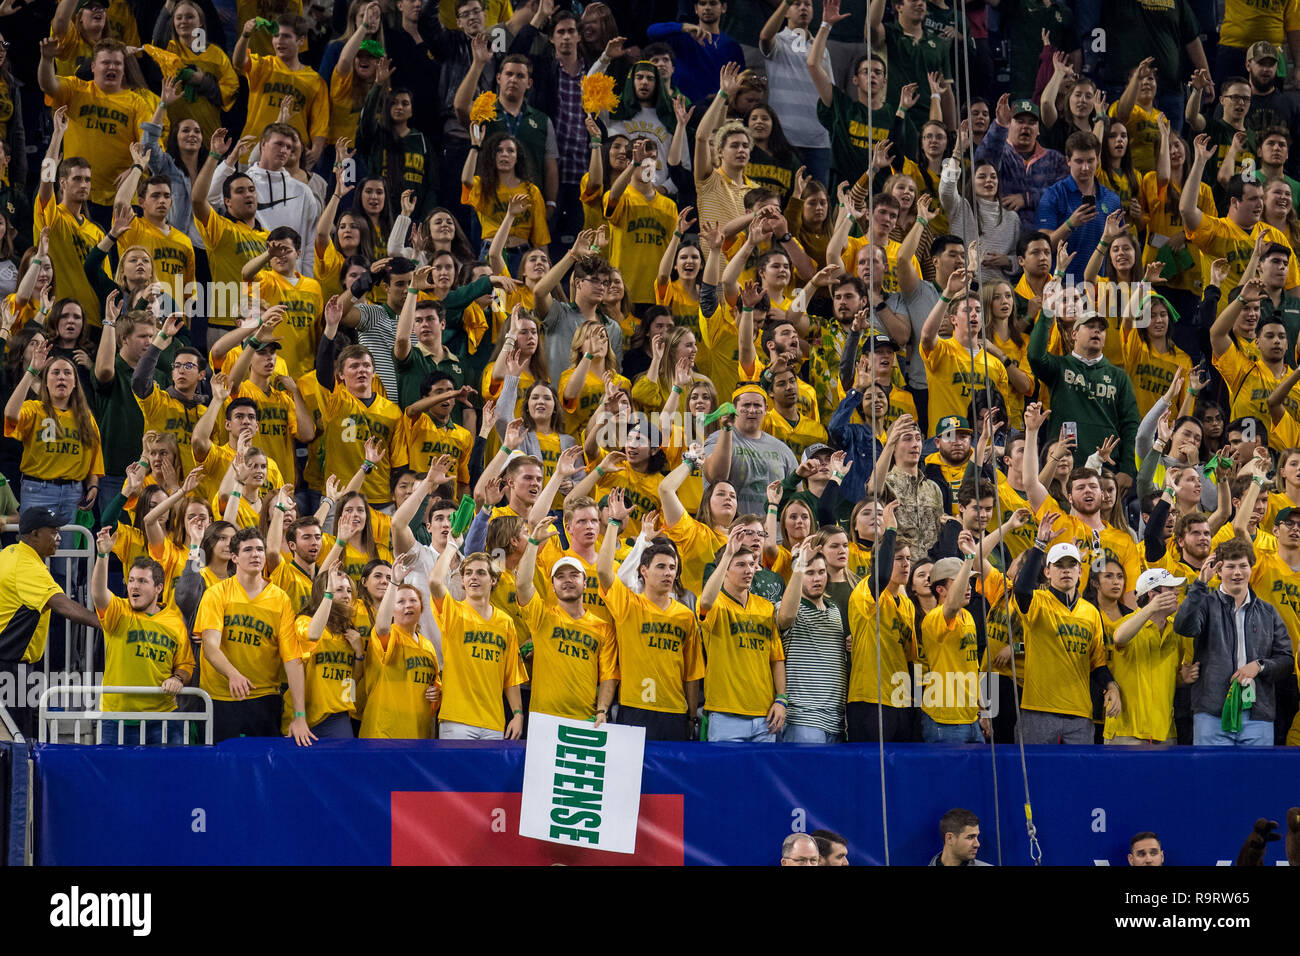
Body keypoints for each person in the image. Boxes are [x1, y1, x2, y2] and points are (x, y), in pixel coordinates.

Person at [597, 488, 705, 740]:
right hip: (634, 708)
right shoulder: (628, 604)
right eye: (661, 567)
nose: (668, 573)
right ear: (643, 571)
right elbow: (603, 571)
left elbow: (691, 674)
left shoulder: (685, 615)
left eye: (672, 568)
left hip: (675, 712)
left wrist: (691, 716)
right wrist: (614, 522)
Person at [1173, 538, 1295, 746]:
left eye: (1242, 566)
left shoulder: (1268, 612)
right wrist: (1200, 585)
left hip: (1257, 716)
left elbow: (1286, 660)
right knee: (1211, 777)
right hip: (1211, 714)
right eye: (1230, 566)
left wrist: (1260, 666)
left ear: (1251, 568)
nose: (1237, 572)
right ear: (1219, 571)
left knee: (1255, 778)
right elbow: (1183, 626)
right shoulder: (1204, 604)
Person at [1013, 514, 1122, 745]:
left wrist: (1111, 686)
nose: (1066, 570)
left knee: (1078, 780)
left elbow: (1097, 663)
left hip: (1080, 715)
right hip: (1038, 711)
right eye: (1059, 565)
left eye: (1072, 564)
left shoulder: (1090, 611)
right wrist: (1040, 545)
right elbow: (1021, 589)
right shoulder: (1038, 601)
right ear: (1047, 572)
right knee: (1035, 777)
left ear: (1080, 572)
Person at [194, 527, 307, 744]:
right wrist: (232, 674)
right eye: (248, 550)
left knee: (264, 771)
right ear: (234, 557)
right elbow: (209, 645)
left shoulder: (280, 599)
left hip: (264, 698)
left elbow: (292, 659)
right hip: (220, 698)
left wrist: (299, 715)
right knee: (223, 769)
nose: (255, 554)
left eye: (260, 549)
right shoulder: (216, 594)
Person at [0, 508, 103, 739]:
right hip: (11, 669)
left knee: (35, 734)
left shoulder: (9, 552)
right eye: (54, 531)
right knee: (22, 742)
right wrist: (108, 623)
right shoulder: (29, 567)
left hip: (17, 669)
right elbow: (63, 605)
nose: (59, 537)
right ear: (35, 534)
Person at [90, 527, 193, 745]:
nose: (134, 586)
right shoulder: (119, 611)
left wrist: (177, 678)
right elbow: (99, 593)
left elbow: (185, 664)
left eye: (142, 581)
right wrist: (102, 555)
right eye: (132, 580)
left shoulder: (174, 620)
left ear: (159, 588)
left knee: (166, 778)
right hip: (116, 717)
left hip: (163, 717)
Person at [515, 516, 619, 723]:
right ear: (552, 585)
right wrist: (533, 543)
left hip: (586, 721)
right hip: (542, 720)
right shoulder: (542, 616)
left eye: (574, 575)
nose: (568, 580)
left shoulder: (603, 628)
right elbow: (523, 585)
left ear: (585, 582)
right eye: (560, 577)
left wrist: (602, 711)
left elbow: (609, 676)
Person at [428, 542, 527, 740]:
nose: (474, 577)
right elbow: (435, 583)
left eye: (481, 573)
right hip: (457, 720)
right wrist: (451, 546)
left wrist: (518, 714)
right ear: (462, 581)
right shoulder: (453, 612)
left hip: (494, 721)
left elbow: (511, 675)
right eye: (468, 573)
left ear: (493, 580)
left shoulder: (505, 622)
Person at [697, 527, 786, 742]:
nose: (749, 570)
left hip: (765, 715)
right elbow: (705, 602)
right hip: (725, 714)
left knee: (763, 777)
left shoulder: (765, 607)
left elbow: (776, 659)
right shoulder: (715, 602)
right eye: (740, 565)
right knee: (727, 777)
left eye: (751, 564)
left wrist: (781, 699)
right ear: (724, 570)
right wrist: (728, 553)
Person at [1106, 567, 1188, 745]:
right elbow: (1120, 637)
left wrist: (1184, 678)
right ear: (1152, 595)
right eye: (1170, 589)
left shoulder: (1176, 631)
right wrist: (1151, 609)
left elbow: (1172, 677)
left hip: (1165, 732)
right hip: (1126, 733)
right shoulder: (1124, 625)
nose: (1177, 592)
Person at [234, 15, 328, 170]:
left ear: (301, 41)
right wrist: (245, 36)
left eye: (286, 36)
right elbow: (238, 62)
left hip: (291, 158)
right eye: (276, 36)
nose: (279, 41)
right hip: (252, 153)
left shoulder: (315, 80)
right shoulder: (263, 65)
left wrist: (317, 149)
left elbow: (320, 122)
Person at [777, 541, 847, 742]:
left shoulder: (834, 609)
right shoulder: (787, 606)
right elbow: (785, 618)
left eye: (821, 572)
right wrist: (799, 563)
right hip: (803, 718)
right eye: (809, 573)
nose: (817, 578)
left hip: (837, 719)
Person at [1036, 132, 1123, 282]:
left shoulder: (1112, 199)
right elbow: (1043, 247)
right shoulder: (1053, 195)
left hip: (1099, 286)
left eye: (1090, 161)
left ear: (1098, 159)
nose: (1085, 167)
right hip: (1062, 285)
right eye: (1079, 161)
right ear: (1068, 160)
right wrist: (1070, 224)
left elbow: (1120, 246)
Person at [702, 384, 799, 517]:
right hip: (732, 531)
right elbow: (717, 478)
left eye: (757, 405)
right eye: (746, 405)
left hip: (773, 534)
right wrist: (726, 429)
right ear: (735, 408)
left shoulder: (783, 450)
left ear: (766, 409)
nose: (752, 410)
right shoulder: (718, 439)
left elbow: (797, 497)